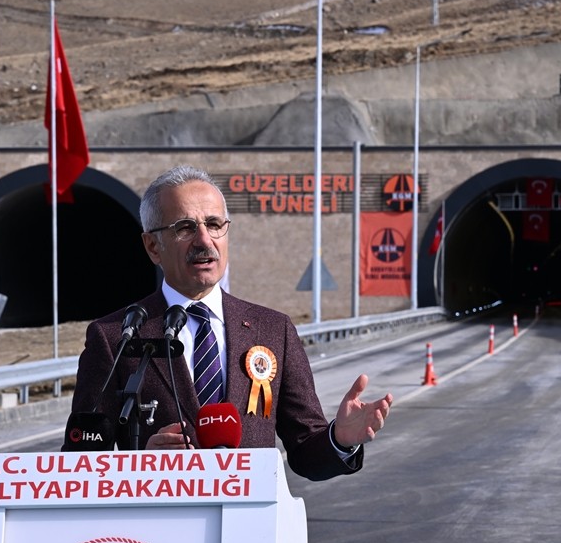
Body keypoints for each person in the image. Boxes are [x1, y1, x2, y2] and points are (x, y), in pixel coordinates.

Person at [69, 165, 391, 481]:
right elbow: (79, 464)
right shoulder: (115, 337)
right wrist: (143, 465)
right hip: (157, 530)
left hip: (247, 528)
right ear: (153, 246)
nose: (204, 240)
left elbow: (306, 451)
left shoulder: (273, 330)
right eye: (185, 227)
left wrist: (340, 438)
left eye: (214, 224)